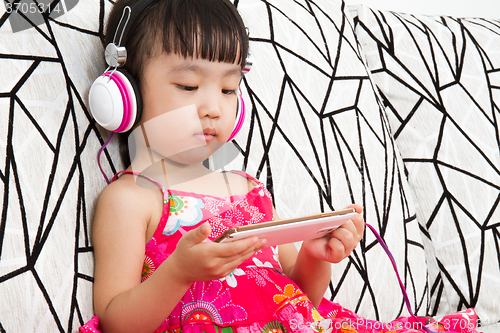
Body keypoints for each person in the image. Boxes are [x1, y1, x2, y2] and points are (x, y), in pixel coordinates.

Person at [81, 0, 479, 332]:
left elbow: (301, 297)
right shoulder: (132, 199)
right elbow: (116, 321)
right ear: (124, 93)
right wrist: (179, 273)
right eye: (188, 86)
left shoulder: (247, 187)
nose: (213, 108)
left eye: (228, 89)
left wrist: (315, 256)